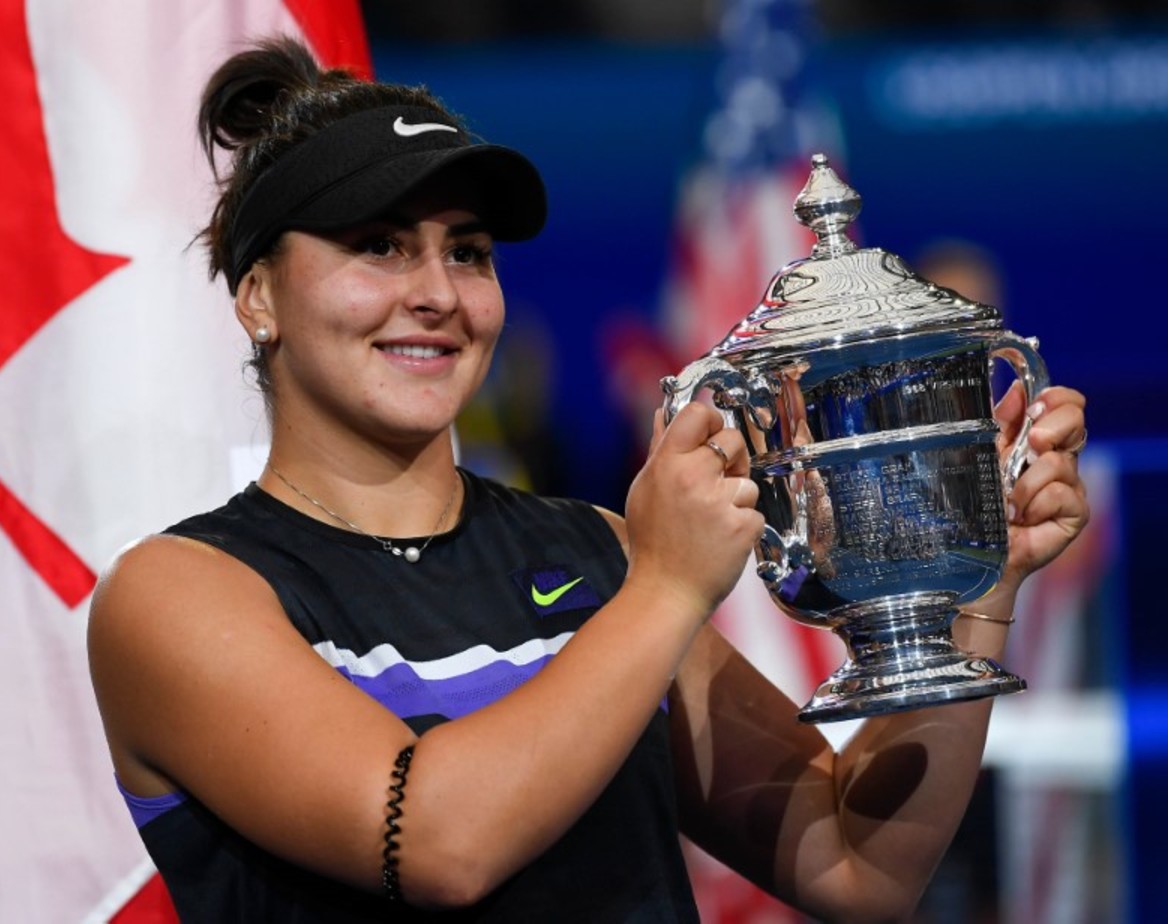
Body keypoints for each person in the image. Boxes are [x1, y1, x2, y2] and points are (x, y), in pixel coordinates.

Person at [87, 36, 1091, 923]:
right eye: (379, 246)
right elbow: (437, 845)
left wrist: (982, 583)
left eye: (467, 253)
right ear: (258, 296)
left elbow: (859, 864)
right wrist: (665, 588)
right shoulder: (181, 596)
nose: (437, 294)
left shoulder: (598, 554)